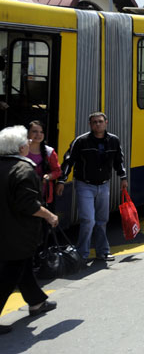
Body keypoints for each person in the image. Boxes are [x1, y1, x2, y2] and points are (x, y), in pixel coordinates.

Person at [0, 126, 60, 335]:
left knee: (22, 266)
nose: (28, 144)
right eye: (25, 141)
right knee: (10, 274)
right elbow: (29, 205)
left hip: (6, 231)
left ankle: (36, 301)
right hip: (18, 232)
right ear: (20, 148)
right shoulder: (23, 169)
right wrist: (50, 216)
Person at [56, 112, 127, 263]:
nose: (98, 124)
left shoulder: (113, 140)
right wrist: (62, 180)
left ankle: (103, 252)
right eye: (94, 122)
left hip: (104, 185)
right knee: (88, 220)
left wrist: (123, 177)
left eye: (100, 121)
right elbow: (69, 161)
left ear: (106, 122)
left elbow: (118, 160)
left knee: (102, 220)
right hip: (85, 185)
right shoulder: (81, 141)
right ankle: (82, 254)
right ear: (90, 125)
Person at [25, 121, 61, 206]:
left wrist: (49, 176)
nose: (38, 134)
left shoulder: (49, 152)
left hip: (43, 194)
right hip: (23, 192)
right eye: (34, 131)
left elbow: (57, 171)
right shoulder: (21, 150)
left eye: (41, 132)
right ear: (27, 133)